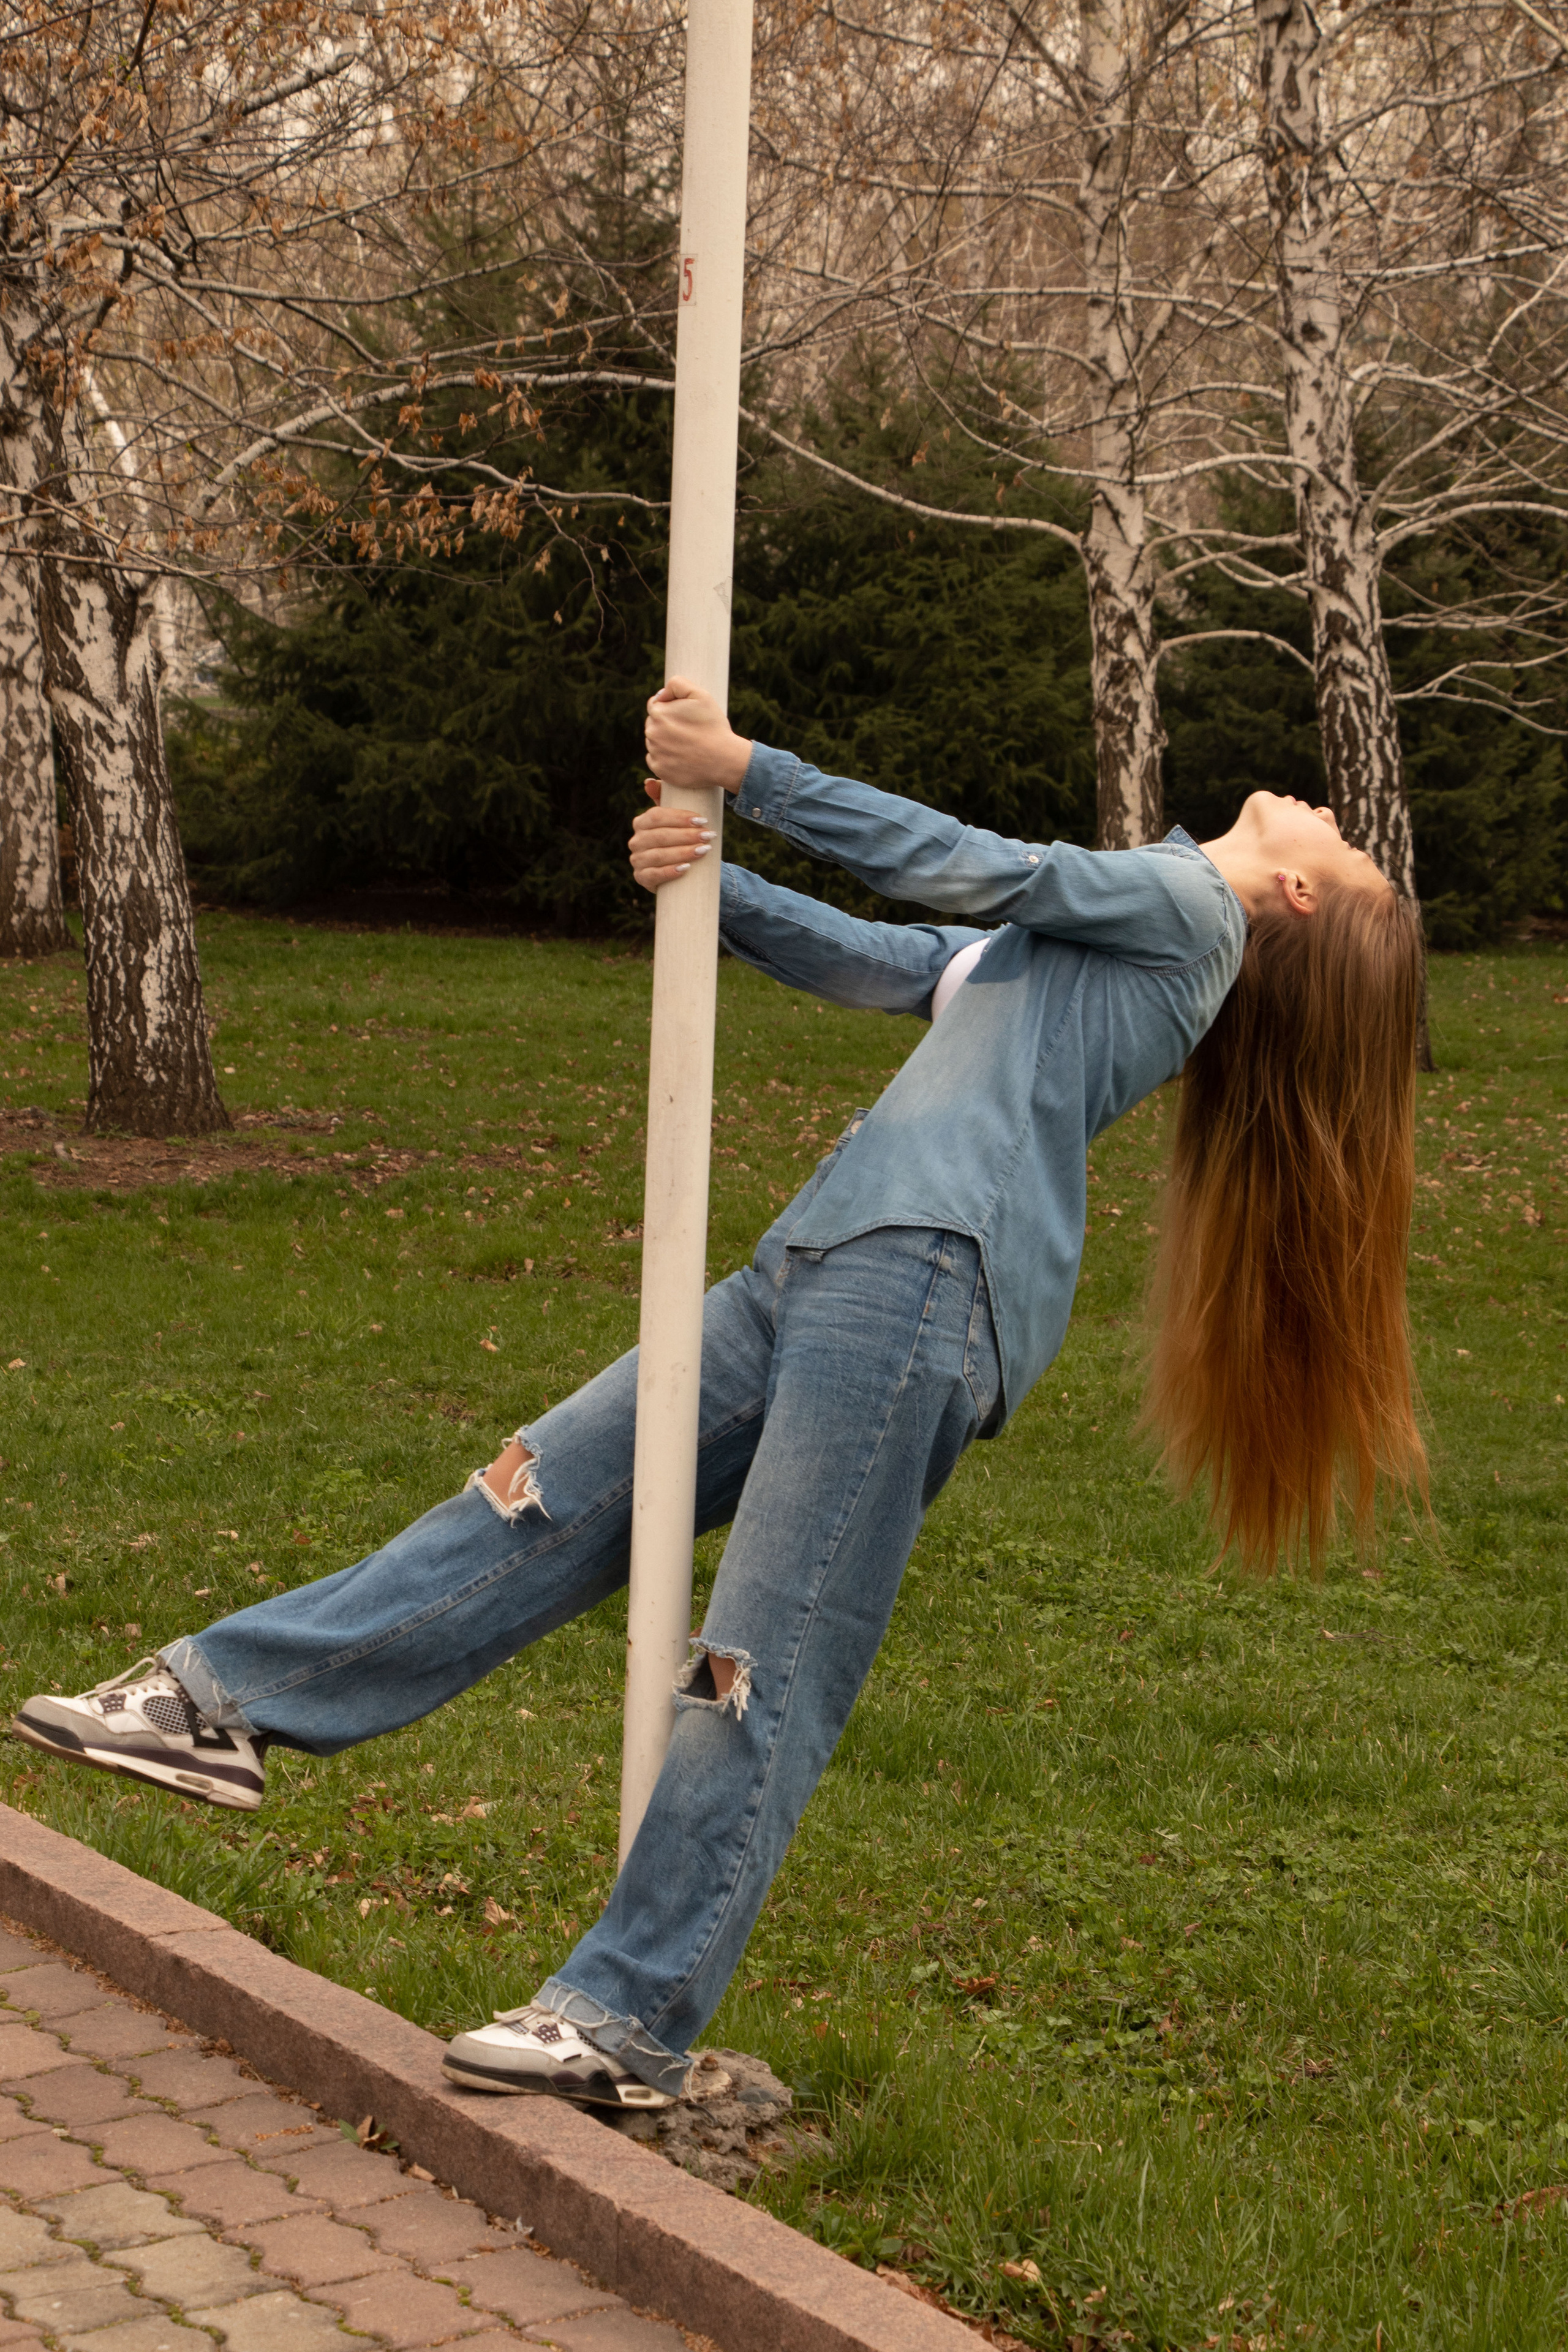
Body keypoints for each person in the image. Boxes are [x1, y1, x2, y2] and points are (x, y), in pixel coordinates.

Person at [10, 680, 1427, 2114]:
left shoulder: (1187, 911)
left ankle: (622, 2021)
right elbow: (894, 959)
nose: (1326, 805)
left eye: (1347, 841)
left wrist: (751, 770)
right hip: (815, 1262)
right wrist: (707, 890)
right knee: (534, 1498)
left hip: (922, 1280)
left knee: (753, 1666)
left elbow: (973, 866)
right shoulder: (1115, 932)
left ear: (1301, 895)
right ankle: (224, 1703)